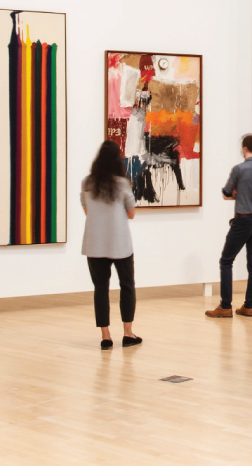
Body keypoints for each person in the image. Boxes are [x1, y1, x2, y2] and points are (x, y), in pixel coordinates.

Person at [81, 140, 142, 349]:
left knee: (100, 288)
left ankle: (106, 337)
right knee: (127, 286)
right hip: (120, 244)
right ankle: (128, 333)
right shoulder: (122, 184)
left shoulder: (87, 183)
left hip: (95, 244)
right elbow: (131, 214)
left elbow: (87, 211)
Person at [206, 133, 252, 318]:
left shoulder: (239, 170)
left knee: (226, 260)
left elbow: (226, 193)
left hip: (243, 220)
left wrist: (237, 194)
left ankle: (225, 306)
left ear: (244, 149)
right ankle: (249, 306)